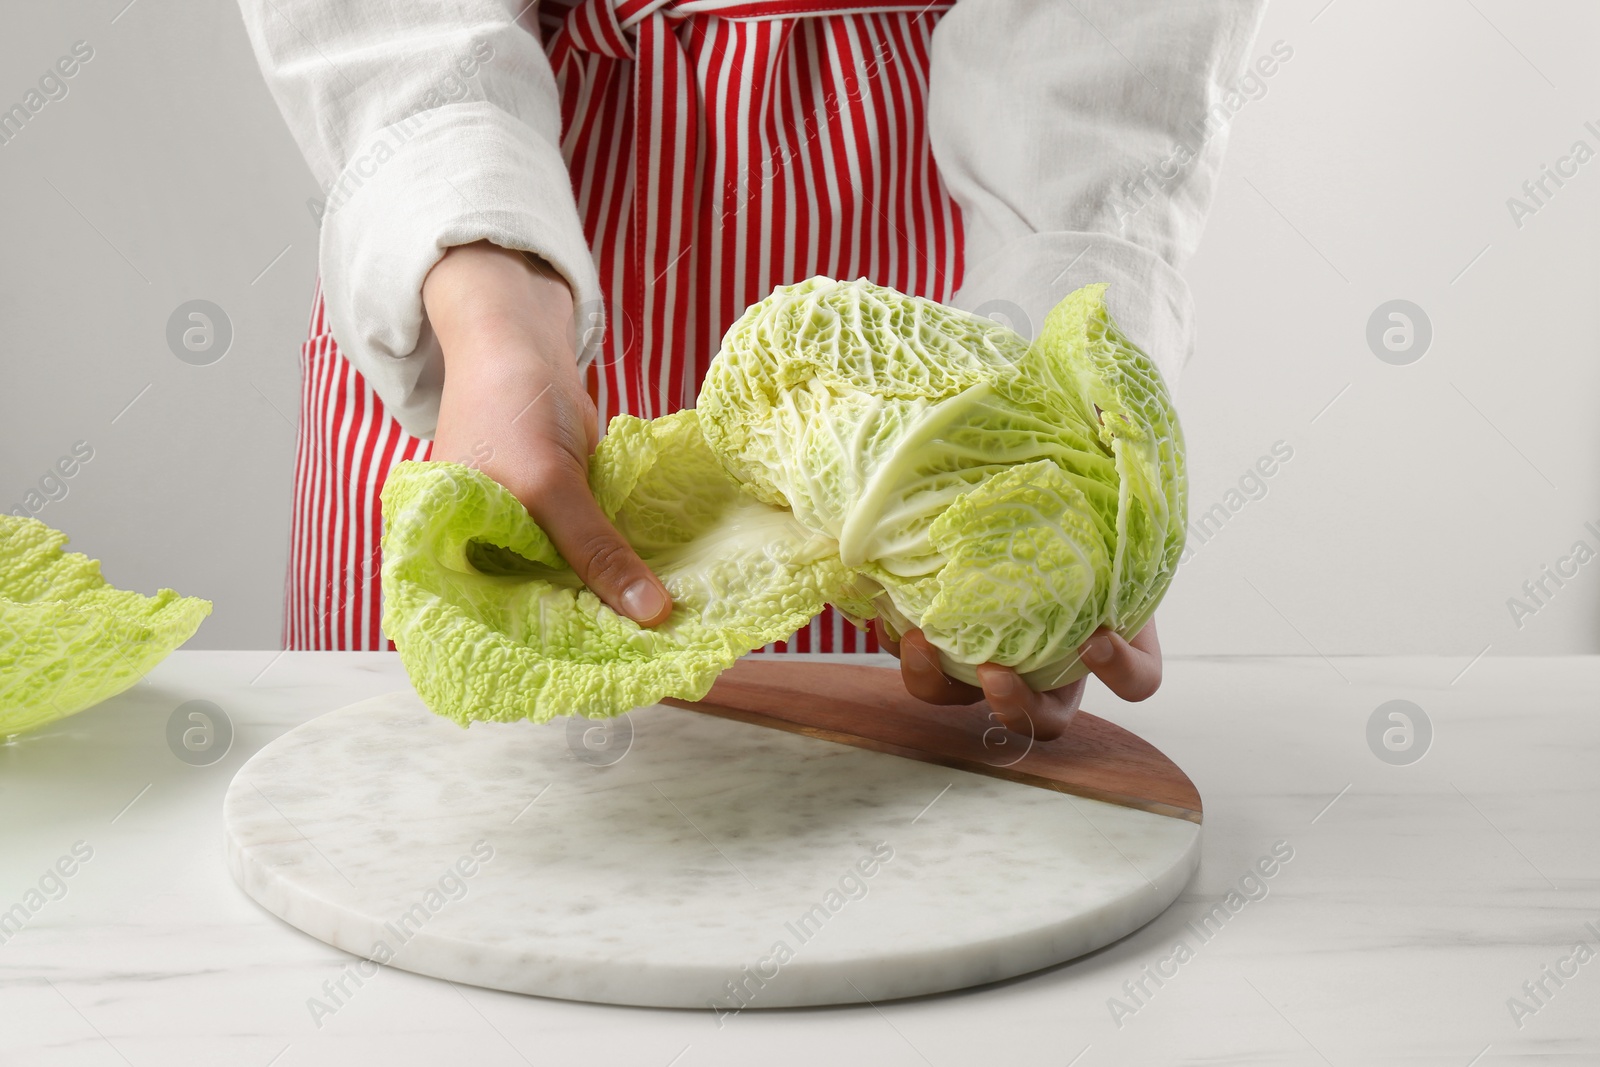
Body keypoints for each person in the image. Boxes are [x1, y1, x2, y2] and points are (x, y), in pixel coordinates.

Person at [237, 0, 1266, 738]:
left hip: (929, 226)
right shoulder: (475, 290)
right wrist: (485, 302)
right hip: (478, 247)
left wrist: (1051, 442)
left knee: (917, 924)